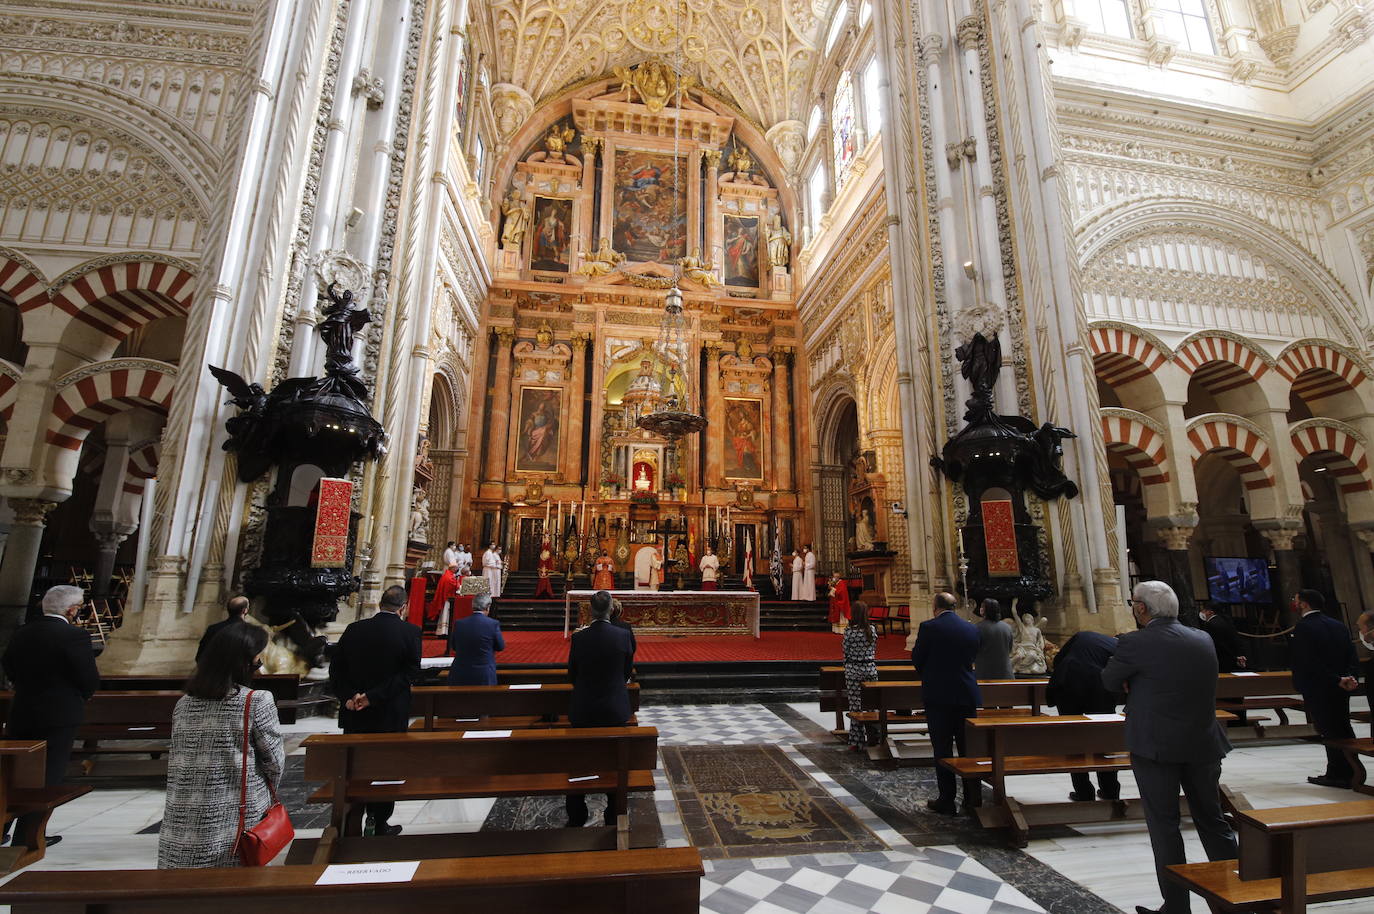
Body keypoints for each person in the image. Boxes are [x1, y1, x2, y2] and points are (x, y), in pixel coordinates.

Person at [1101, 581, 1237, 914]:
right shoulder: (1202, 637)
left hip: (1156, 746)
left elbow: (1108, 680)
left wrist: (1134, 683)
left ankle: (1176, 907)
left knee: (1164, 825)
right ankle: (1238, 896)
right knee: (1213, 820)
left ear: (1142, 609)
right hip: (1203, 742)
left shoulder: (1136, 642)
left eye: (1134, 603)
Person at [158, 624, 284, 868]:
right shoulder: (256, 700)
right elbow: (274, 762)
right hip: (236, 817)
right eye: (258, 655)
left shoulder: (184, 704)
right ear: (245, 661)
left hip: (182, 820)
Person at [2, 585, 100, 849]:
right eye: (78, 608)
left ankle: (2, 828)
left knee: (15, 774)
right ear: (71, 610)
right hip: (59, 714)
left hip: (22, 711)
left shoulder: (22, 633)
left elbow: (9, 666)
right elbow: (88, 678)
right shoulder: (74, 636)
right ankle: (29, 835)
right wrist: (80, 694)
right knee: (48, 775)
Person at [329, 585, 422, 836]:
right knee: (386, 766)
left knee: (355, 765)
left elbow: (336, 670)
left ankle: (350, 824)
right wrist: (373, 697)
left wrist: (350, 697)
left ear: (380, 603)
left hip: (354, 712)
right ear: (403, 608)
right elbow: (410, 674)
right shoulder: (410, 632)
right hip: (389, 712)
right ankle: (380, 821)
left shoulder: (353, 629)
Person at [565, 590, 635, 827]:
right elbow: (627, 672)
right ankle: (614, 813)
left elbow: (572, 674)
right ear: (611, 610)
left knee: (578, 760)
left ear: (590, 610)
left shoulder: (579, 638)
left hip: (583, 707)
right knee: (616, 762)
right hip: (615, 708)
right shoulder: (622, 636)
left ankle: (576, 814)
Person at [911, 592, 981, 814]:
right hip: (966, 694)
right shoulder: (971, 628)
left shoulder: (929, 628)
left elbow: (917, 659)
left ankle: (947, 799)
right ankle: (973, 799)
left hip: (939, 695)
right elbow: (973, 656)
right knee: (968, 748)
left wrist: (932, 675)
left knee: (942, 748)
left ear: (935, 607)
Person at [1290, 589, 1360, 787]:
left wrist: (1334, 679)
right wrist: (1349, 677)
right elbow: (1351, 655)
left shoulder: (1303, 627)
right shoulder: (1337, 625)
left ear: (1304, 604)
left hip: (1320, 686)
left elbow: (1308, 662)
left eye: (1296, 600)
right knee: (1343, 726)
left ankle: (1338, 774)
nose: (1294, 604)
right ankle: (1348, 769)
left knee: (1329, 730)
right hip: (1341, 687)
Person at [1048, 630, 1123, 801]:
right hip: (1098, 687)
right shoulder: (1120, 648)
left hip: (1066, 684)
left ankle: (1083, 792)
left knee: (1073, 739)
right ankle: (1110, 790)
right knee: (1103, 739)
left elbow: (1059, 658)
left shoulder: (1085, 635)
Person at [448, 592, 505, 685]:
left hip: (460, 672)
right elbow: (500, 646)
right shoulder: (493, 624)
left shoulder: (459, 624)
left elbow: (454, 646)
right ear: (488, 607)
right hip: (484, 673)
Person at [843, 601, 878, 751]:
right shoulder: (871, 629)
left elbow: (845, 651)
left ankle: (856, 741)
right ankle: (874, 738)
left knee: (856, 707)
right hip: (870, 668)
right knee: (872, 706)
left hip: (854, 670)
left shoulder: (850, 631)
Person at [196, 595, 250, 663]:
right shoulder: (251, 632)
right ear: (245, 610)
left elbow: (200, 656)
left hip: (212, 671)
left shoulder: (213, 629)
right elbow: (253, 661)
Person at [974, 598, 1014, 680]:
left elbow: (973, 650)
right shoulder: (1007, 627)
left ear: (983, 611)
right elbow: (1009, 649)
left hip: (985, 675)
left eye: (982, 607)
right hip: (1006, 674)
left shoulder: (977, 628)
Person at [1199, 606, 1245, 671]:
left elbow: (1216, 644)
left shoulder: (1210, 624)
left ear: (1210, 612)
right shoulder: (1225, 620)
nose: (1201, 613)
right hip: (1231, 656)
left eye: (1204, 611)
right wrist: (1237, 656)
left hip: (1220, 658)